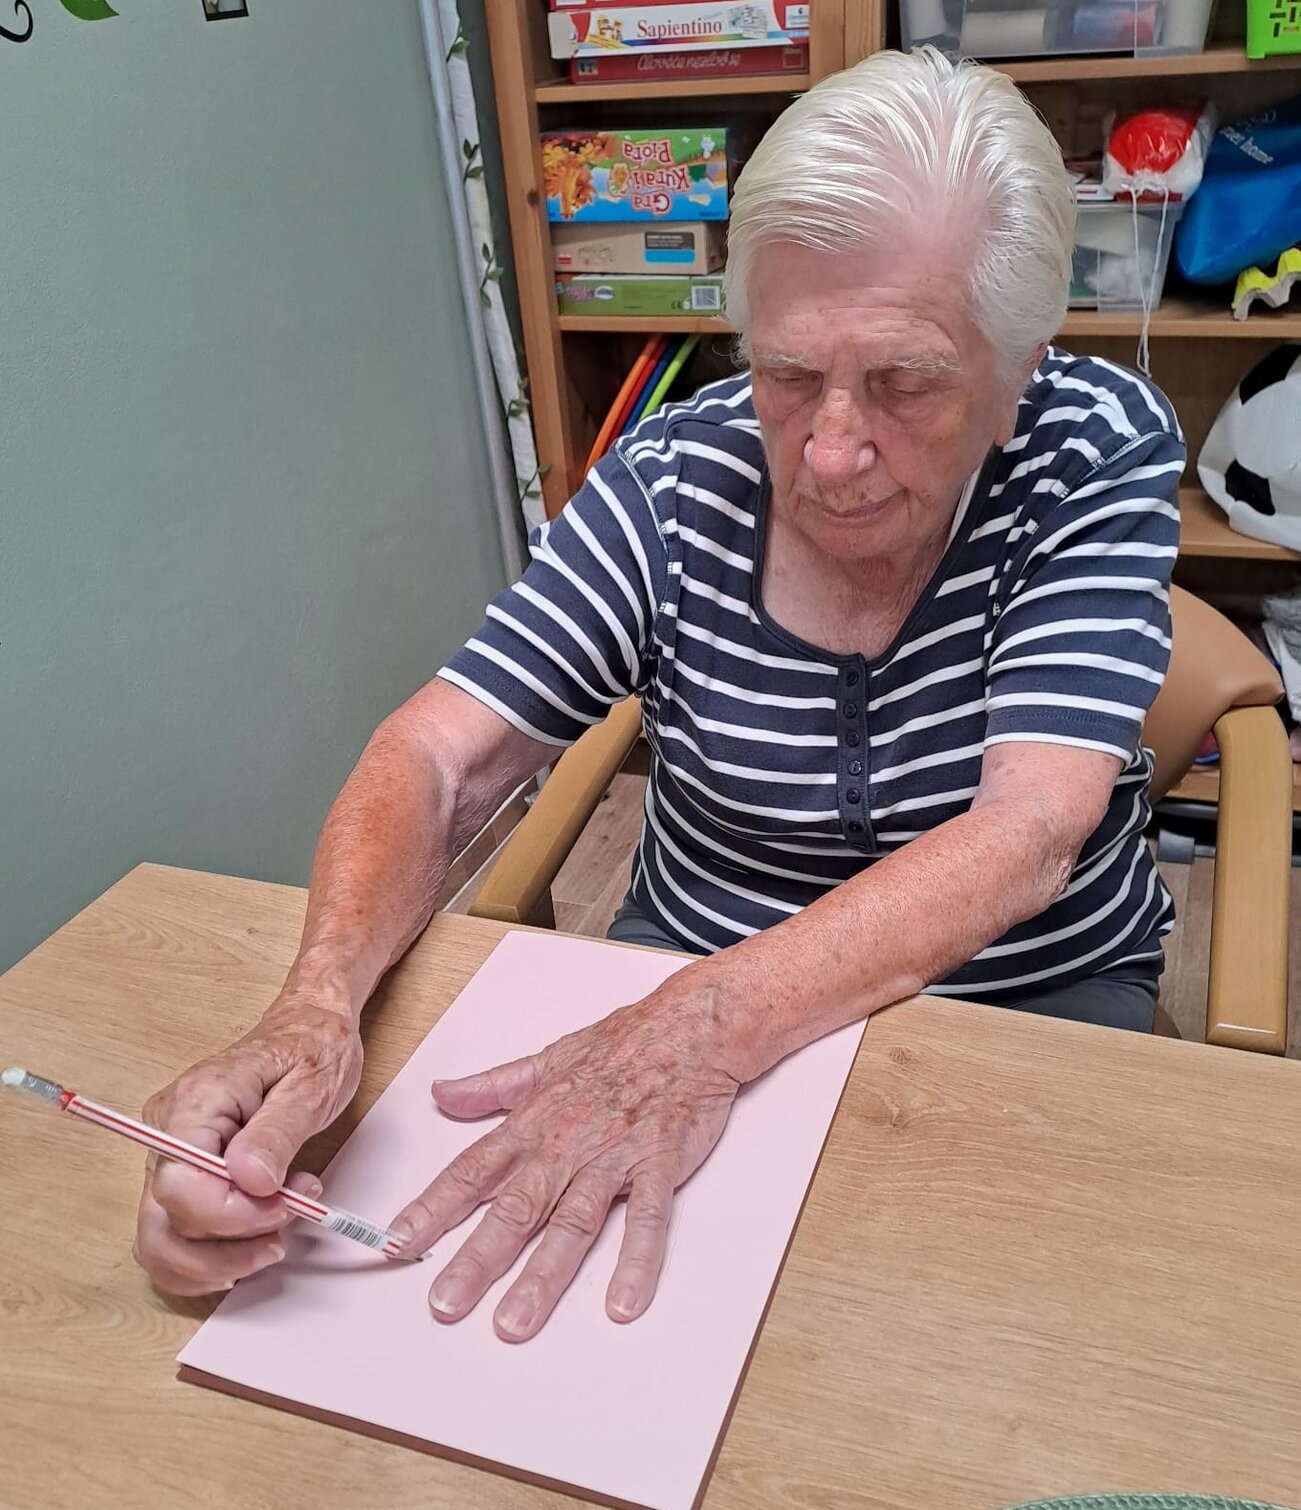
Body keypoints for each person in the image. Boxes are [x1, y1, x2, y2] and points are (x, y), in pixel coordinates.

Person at [134, 48, 1183, 1342]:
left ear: (1018, 370)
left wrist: (708, 1023)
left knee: (976, 1341)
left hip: (1017, 1003)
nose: (830, 450)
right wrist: (312, 1009)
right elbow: (441, 757)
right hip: (677, 972)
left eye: (904, 383)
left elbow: (1028, 832)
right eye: (785, 374)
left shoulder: (1090, 447)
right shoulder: (676, 476)